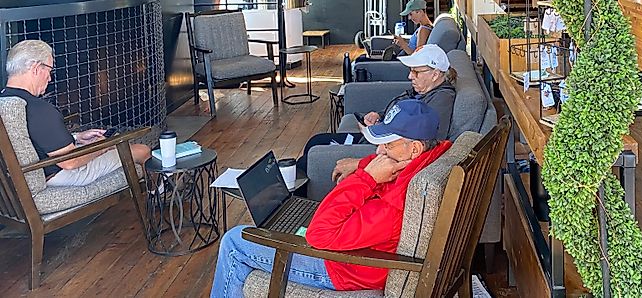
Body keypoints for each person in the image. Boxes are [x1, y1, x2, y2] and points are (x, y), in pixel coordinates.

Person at [210, 99, 451, 296]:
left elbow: (319, 235)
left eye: (387, 145)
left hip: (343, 267)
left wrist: (366, 178)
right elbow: (386, 167)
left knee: (234, 242)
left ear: (415, 148)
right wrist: (364, 166)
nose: (379, 151)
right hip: (353, 248)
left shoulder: (396, 205)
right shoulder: (428, 158)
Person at [0, 40, 151, 186]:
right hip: (58, 175)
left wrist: (77, 138)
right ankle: (158, 196)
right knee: (141, 150)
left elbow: (30, 138)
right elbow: (70, 162)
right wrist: (101, 146)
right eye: (49, 70)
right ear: (36, 68)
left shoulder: (6, 101)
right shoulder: (38, 109)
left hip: (26, 176)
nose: (50, 78)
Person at [296, 45, 457, 172]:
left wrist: (383, 132)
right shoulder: (423, 90)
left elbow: (427, 140)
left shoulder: (442, 99)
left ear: (435, 74)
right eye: (410, 71)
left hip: (382, 146)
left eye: (416, 72)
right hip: (378, 134)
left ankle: (289, 199)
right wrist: (379, 116)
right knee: (314, 142)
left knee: (312, 152)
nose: (410, 76)